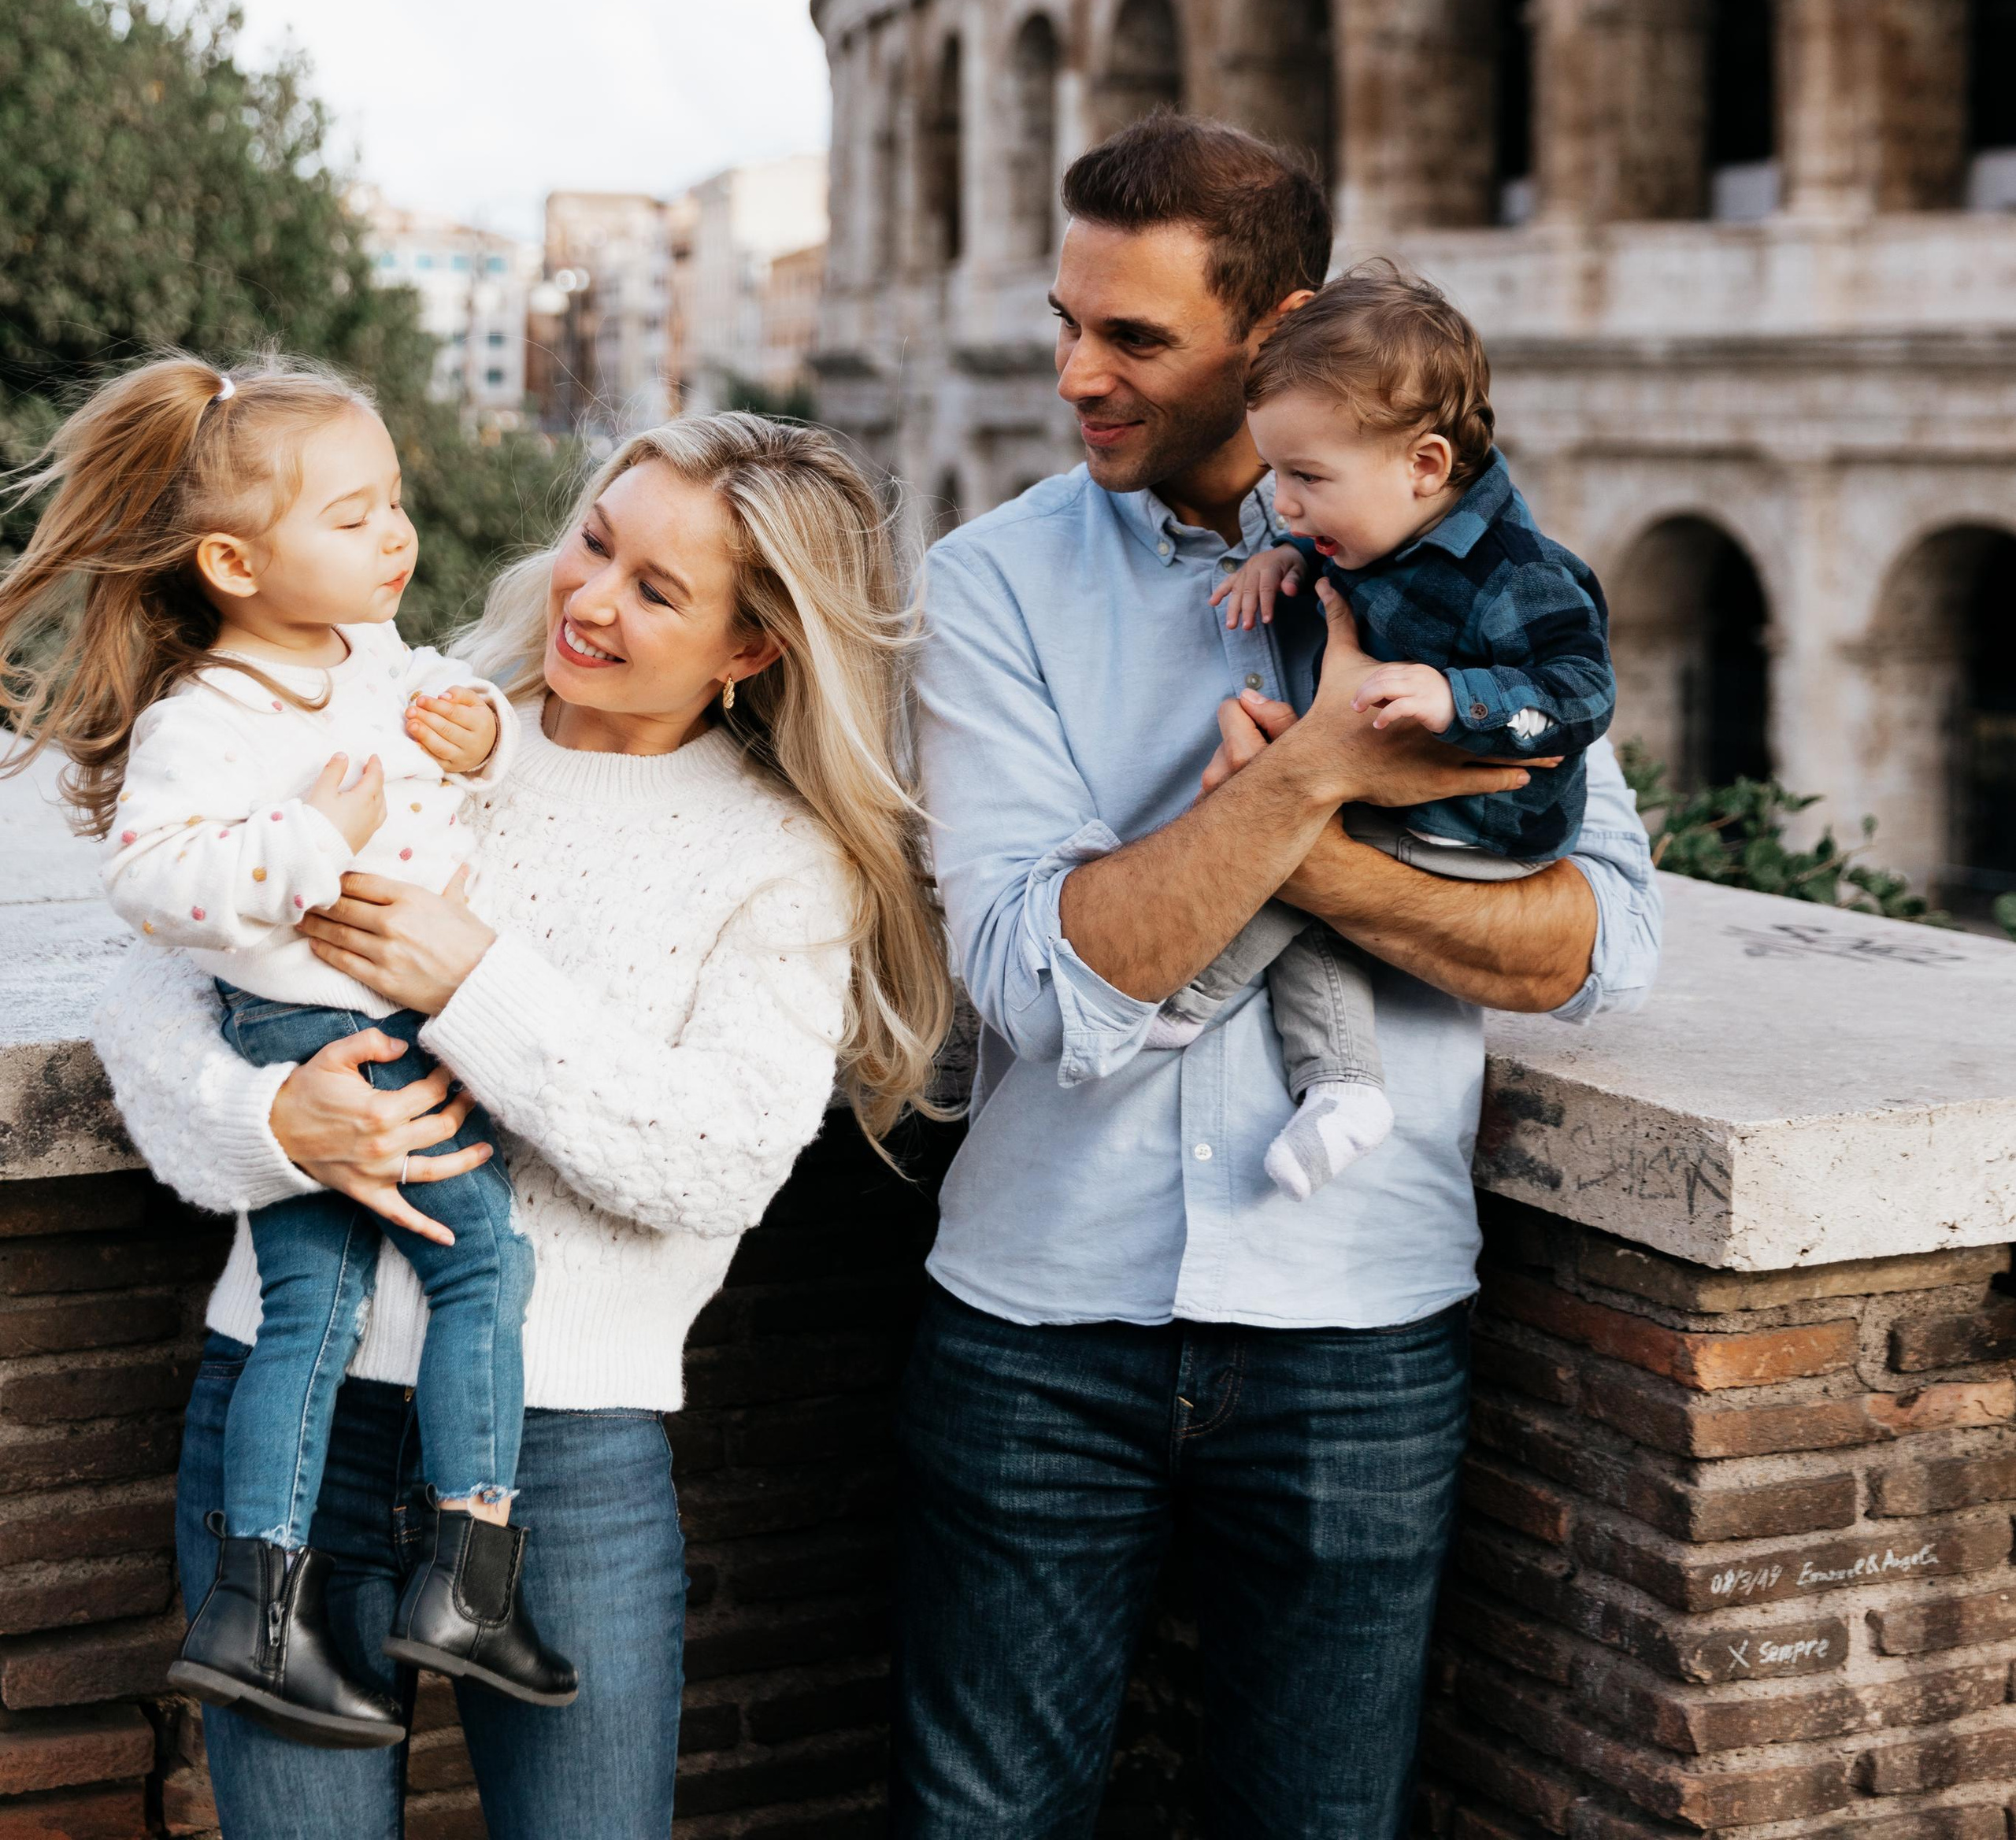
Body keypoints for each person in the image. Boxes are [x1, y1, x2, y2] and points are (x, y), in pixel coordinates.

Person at [896, 113, 1661, 1840]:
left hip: (1360, 1322)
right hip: (1037, 1319)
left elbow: (1593, 948)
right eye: (1064, 322)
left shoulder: (1489, 584)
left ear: (1278, 330)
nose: (1076, 374)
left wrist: (1268, 833)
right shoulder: (991, 582)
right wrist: (1326, 767)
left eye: (1134, 339)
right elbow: (1042, 985)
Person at [91, 409, 951, 1840]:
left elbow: (720, 1158)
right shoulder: (397, 715)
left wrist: (472, 981)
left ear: (752, 647)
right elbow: (150, 986)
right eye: (594, 543)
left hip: (566, 1458)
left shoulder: (777, 859)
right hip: (285, 1434)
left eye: (656, 590)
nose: (590, 598)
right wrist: (270, 1122)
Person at [0, 354, 572, 1746]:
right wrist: (319, 839)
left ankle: (256, 1614)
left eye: (396, 503)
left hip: (366, 1019)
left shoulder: (368, 657)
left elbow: (446, 712)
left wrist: (480, 729)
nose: (396, 534)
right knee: (486, 1258)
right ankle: (470, 1575)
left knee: (305, 1320)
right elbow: (156, 884)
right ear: (234, 562)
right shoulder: (209, 718)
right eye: (356, 513)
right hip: (329, 1027)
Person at [1163, 261, 1614, 1202]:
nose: (1279, 502)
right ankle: (1344, 1087)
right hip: (1399, 780)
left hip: (1490, 822)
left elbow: (1582, 693)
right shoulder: (1377, 520)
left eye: (1304, 478)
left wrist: (1461, 702)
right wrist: (1274, 561)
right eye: (1276, 474)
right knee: (1304, 841)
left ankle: (1184, 996)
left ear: (1425, 465)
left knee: (1291, 854)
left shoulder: (1519, 574)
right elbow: (1330, 542)